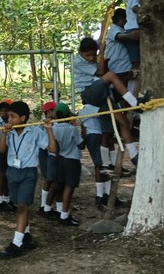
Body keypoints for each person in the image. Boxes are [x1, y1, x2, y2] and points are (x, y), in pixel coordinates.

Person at [73, 37, 147, 165]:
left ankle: (133, 155)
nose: (91, 58)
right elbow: (101, 72)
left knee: (123, 121)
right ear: (80, 52)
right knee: (111, 75)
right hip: (89, 93)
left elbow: (101, 68)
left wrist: (101, 55)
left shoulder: (92, 59)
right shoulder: (78, 62)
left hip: (101, 95)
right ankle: (134, 103)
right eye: (88, 55)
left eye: (93, 55)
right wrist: (102, 52)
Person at [0, 101, 57, 259]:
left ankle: (16, 244)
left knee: (23, 206)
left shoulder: (34, 132)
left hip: (28, 173)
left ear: (23, 118)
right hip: (12, 172)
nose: (9, 120)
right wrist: (3, 134)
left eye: (12, 116)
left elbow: (52, 149)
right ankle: (26, 235)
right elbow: (1, 150)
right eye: (8, 116)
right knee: (19, 205)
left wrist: (49, 130)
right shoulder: (9, 132)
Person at [51, 103, 85, 226]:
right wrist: (83, 132)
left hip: (60, 158)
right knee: (69, 187)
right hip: (72, 159)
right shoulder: (71, 129)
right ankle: (65, 215)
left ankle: (61, 211)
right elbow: (81, 145)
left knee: (60, 185)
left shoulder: (53, 129)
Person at [79, 104, 113, 206]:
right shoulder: (97, 107)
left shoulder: (83, 111)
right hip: (99, 136)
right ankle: (104, 195)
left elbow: (83, 129)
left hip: (91, 137)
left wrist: (85, 141)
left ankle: (102, 195)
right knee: (103, 165)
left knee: (99, 165)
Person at [38, 101, 58, 216]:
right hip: (46, 151)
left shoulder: (55, 122)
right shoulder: (42, 125)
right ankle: (44, 206)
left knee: (51, 179)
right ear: (49, 112)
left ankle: (46, 205)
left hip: (51, 151)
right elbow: (42, 140)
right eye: (55, 110)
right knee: (48, 178)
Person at [123, 0, 142, 72]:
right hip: (135, 28)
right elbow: (135, 8)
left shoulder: (128, 1)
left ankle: (134, 72)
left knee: (135, 58)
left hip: (128, 29)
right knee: (138, 58)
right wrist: (143, 11)